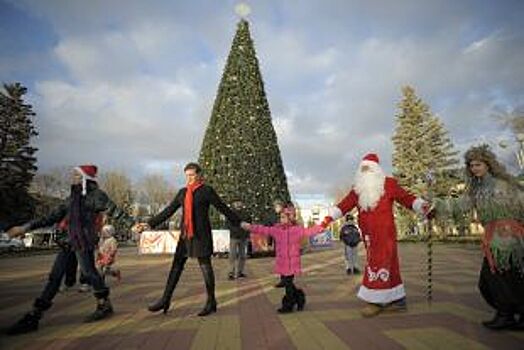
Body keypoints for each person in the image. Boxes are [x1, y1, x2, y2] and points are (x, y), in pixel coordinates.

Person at [5, 165, 135, 335]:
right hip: (68, 241)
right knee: (55, 277)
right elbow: (51, 217)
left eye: (76, 174)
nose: (72, 177)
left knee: (89, 273)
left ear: (85, 178)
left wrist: (133, 224)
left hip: (83, 241)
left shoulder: (96, 196)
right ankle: (35, 315)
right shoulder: (71, 199)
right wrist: (26, 227)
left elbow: (115, 211)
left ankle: (104, 304)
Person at [322, 153, 431, 317]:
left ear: (377, 170)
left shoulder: (389, 184)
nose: (365, 172)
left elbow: (406, 198)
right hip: (368, 234)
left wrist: (423, 206)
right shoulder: (357, 190)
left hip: (385, 233)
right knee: (389, 264)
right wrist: (328, 218)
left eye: (369, 169)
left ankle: (376, 301)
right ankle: (397, 300)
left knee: (378, 262)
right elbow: (344, 205)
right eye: (362, 169)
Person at [134, 162, 241, 316]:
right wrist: (149, 224)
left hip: (201, 235)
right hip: (186, 236)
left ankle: (211, 301)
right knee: (176, 266)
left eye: (192, 175)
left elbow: (222, 207)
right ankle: (165, 299)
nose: (189, 178)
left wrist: (239, 222)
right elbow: (168, 211)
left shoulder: (206, 191)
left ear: (199, 175)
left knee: (205, 267)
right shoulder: (183, 193)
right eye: (187, 175)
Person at [436, 145, 524, 330]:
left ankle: (506, 314)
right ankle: (511, 313)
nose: (474, 168)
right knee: (499, 279)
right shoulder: (476, 189)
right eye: (471, 165)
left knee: (499, 278)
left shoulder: (503, 185)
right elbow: (460, 205)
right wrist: (435, 206)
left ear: (488, 164)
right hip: (493, 239)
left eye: (478, 164)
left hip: (509, 240)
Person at [242, 205, 324, 313]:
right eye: (280, 217)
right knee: (287, 283)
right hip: (282, 263)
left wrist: (323, 225)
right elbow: (264, 229)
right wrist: (250, 227)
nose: (281, 219)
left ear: (290, 218)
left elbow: (309, 231)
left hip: (292, 263)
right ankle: (299, 297)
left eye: (284, 217)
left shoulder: (296, 230)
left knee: (288, 284)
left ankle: (288, 306)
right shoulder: (277, 230)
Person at [227, 200, 250, 280]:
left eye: (239, 202)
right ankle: (231, 272)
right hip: (234, 237)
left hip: (244, 237)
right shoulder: (231, 213)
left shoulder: (246, 213)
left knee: (242, 255)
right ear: (233, 204)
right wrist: (239, 229)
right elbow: (229, 225)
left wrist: (247, 234)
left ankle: (240, 272)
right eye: (236, 202)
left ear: (242, 203)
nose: (238, 204)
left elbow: (249, 224)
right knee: (232, 255)